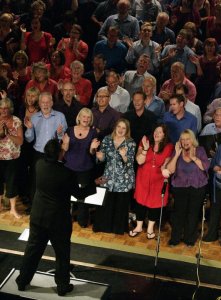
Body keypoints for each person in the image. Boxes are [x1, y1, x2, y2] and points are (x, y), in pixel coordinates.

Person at [15, 139, 95, 296]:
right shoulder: (67, 173)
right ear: (59, 153)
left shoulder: (39, 165)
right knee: (62, 253)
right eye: (62, 150)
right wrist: (94, 184)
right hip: (58, 221)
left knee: (32, 251)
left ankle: (22, 281)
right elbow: (79, 194)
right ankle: (62, 286)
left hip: (38, 216)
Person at [166, 129, 210, 247]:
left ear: (192, 140)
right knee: (178, 213)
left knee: (193, 213)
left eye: (187, 139)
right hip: (180, 187)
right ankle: (175, 238)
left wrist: (194, 157)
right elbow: (170, 170)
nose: (185, 141)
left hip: (197, 186)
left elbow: (205, 167)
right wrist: (176, 154)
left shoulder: (200, 150)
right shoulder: (177, 151)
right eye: (182, 139)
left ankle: (189, 239)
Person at [130, 125, 173, 238]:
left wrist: (164, 169)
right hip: (142, 178)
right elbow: (139, 161)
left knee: (155, 204)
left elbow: (166, 163)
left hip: (158, 180)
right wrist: (145, 149)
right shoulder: (145, 142)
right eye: (155, 131)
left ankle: (150, 228)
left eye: (160, 132)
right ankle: (138, 226)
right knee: (140, 202)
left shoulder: (169, 147)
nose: (157, 133)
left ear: (164, 135)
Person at [93, 119, 136, 234]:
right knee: (107, 203)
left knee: (120, 205)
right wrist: (100, 156)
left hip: (123, 180)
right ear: (115, 127)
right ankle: (104, 227)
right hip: (108, 178)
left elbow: (130, 163)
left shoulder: (130, 142)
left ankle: (117, 229)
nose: (120, 130)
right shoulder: (107, 139)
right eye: (119, 127)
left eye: (123, 128)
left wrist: (124, 156)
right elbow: (102, 159)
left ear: (127, 130)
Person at [61, 108, 99, 228]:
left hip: (85, 169)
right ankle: (66, 217)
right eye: (84, 116)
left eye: (88, 117)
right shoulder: (70, 130)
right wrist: (65, 143)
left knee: (83, 196)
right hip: (69, 167)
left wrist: (93, 147)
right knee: (66, 193)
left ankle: (82, 220)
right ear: (79, 117)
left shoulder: (93, 132)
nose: (86, 119)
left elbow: (92, 153)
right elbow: (64, 150)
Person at [0, 98, 23, 218]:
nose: (4, 110)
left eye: (6, 108)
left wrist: (8, 134)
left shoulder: (16, 121)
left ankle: (13, 209)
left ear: (10, 109)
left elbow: (20, 141)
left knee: (12, 183)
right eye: (1, 108)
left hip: (12, 157)